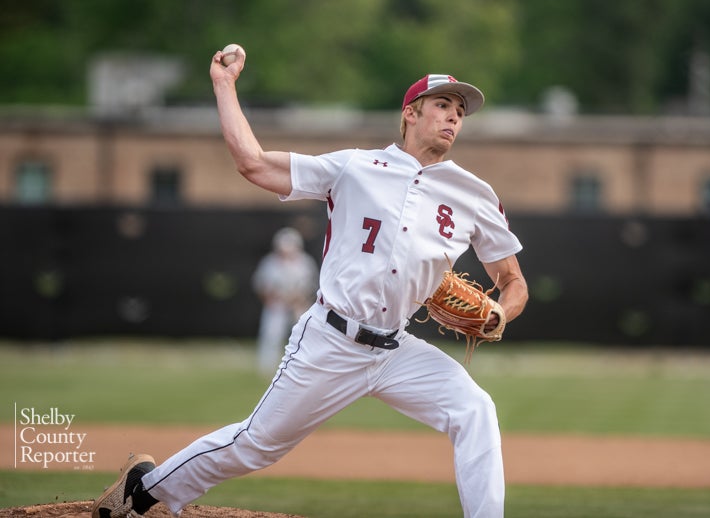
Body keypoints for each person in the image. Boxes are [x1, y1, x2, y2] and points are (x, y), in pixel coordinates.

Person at [91, 46, 529, 518]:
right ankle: (144, 490)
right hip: (330, 340)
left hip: (397, 350)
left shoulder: (475, 194)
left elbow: (513, 280)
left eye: (460, 111)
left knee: (475, 409)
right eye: (442, 105)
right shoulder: (354, 167)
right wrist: (224, 84)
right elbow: (252, 163)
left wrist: (502, 310)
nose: (453, 117)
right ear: (410, 114)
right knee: (256, 446)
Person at [251, 226, 318, 374]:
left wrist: (300, 298)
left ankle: (304, 365)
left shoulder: (305, 263)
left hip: (298, 304)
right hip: (277, 304)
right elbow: (260, 284)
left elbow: (312, 286)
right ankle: (266, 367)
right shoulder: (269, 263)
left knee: (304, 335)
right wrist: (269, 297)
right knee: (271, 334)